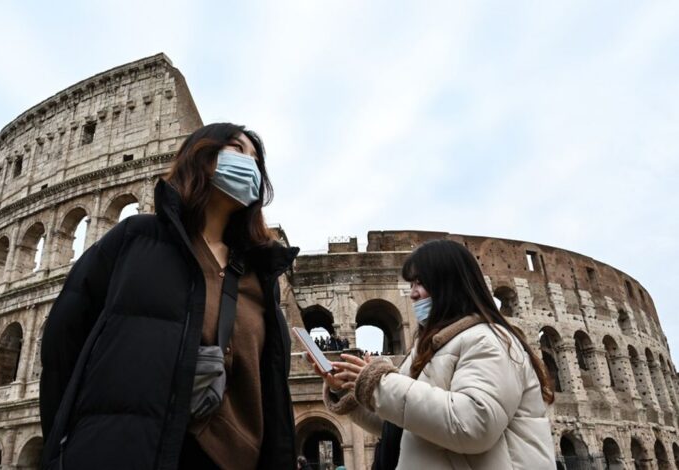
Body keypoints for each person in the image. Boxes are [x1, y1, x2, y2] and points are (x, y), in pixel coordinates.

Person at [40, 123, 299, 469]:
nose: (249, 164)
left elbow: (271, 384)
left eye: (256, 160)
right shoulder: (135, 239)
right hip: (130, 450)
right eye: (237, 149)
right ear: (201, 154)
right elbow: (62, 341)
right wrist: (67, 447)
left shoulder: (260, 276)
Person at [310, 239, 555, 469]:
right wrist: (349, 391)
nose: (413, 293)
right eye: (411, 284)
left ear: (449, 284)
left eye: (420, 283)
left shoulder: (488, 341)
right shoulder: (427, 349)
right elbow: (400, 424)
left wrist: (380, 384)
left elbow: (474, 425)